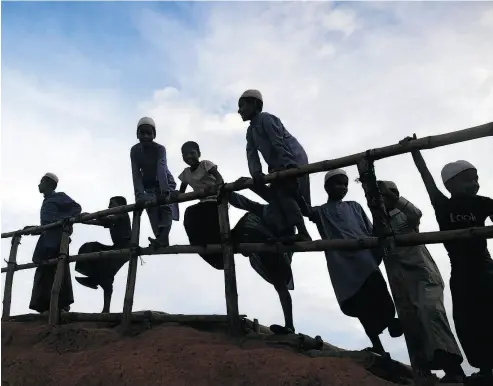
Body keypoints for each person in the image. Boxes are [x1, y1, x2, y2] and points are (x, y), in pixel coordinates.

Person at [403, 136, 493, 385]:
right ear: (450, 184)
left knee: (490, 314)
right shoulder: (441, 204)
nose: (474, 184)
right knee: (467, 321)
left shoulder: (483, 203)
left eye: (475, 179)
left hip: (485, 269)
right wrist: (415, 151)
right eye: (467, 179)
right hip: (461, 273)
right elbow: (426, 178)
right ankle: (486, 370)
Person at [307, 169, 402, 356]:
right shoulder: (320, 212)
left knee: (379, 291)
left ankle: (391, 321)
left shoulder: (355, 206)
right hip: (342, 264)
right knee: (361, 305)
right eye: (338, 183)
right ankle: (378, 347)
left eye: (345, 184)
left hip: (365, 258)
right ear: (327, 187)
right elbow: (302, 208)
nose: (342, 187)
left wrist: (377, 247)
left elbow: (369, 230)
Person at [379, 180, 465, 383]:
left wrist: (392, 198)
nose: (386, 198)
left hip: (423, 273)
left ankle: (454, 369)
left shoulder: (404, 215)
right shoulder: (380, 222)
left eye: (391, 194)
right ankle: (427, 371)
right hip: (402, 280)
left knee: (431, 312)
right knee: (415, 321)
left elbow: (416, 214)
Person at [238, 89, 311, 243]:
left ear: (255, 104)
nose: (239, 110)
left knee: (284, 191)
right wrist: (256, 173)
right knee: (281, 194)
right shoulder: (251, 131)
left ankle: (303, 232)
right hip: (278, 165)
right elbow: (251, 155)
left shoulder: (265, 118)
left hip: (292, 158)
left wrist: (288, 164)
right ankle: (287, 231)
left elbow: (278, 141)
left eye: (242, 105)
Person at [228, 177, 296, 334]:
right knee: (249, 217)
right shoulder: (266, 209)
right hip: (263, 247)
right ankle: (237, 241)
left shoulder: (290, 212)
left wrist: (278, 240)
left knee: (281, 287)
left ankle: (290, 325)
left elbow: (294, 237)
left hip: (279, 254)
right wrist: (232, 189)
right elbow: (243, 202)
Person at [27, 173, 82, 314]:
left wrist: (62, 220)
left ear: (49, 183)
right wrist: (34, 229)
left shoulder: (60, 197)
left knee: (59, 268)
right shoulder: (47, 201)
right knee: (44, 271)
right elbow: (47, 223)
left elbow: (76, 208)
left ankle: (61, 305)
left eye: (41, 182)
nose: (39, 185)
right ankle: (44, 306)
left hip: (58, 239)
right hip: (46, 239)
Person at [75, 196, 132, 313]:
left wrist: (91, 215)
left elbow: (106, 219)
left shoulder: (122, 214)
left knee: (107, 274)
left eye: (111, 204)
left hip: (125, 249)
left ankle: (105, 306)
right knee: (89, 247)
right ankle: (94, 278)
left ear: (120, 206)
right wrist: (84, 219)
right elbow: (99, 222)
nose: (109, 207)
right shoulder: (114, 218)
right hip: (116, 248)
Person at [131, 117, 179, 248]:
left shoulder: (159, 149)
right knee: (151, 208)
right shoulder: (134, 151)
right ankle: (160, 238)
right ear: (137, 134)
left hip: (165, 182)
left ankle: (163, 238)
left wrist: (165, 191)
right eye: (142, 133)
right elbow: (136, 174)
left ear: (154, 135)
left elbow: (161, 167)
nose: (146, 136)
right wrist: (139, 196)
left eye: (149, 133)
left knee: (166, 206)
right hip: (149, 185)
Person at [177, 141, 224, 269]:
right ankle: (197, 242)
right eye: (185, 155)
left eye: (192, 153)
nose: (189, 157)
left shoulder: (205, 164)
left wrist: (215, 188)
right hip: (204, 203)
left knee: (207, 218)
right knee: (190, 214)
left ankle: (215, 245)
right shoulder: (186, 173)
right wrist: (174, 194)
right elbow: (181, 191)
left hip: (216, 200)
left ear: (199, 154)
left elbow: (219, 179)